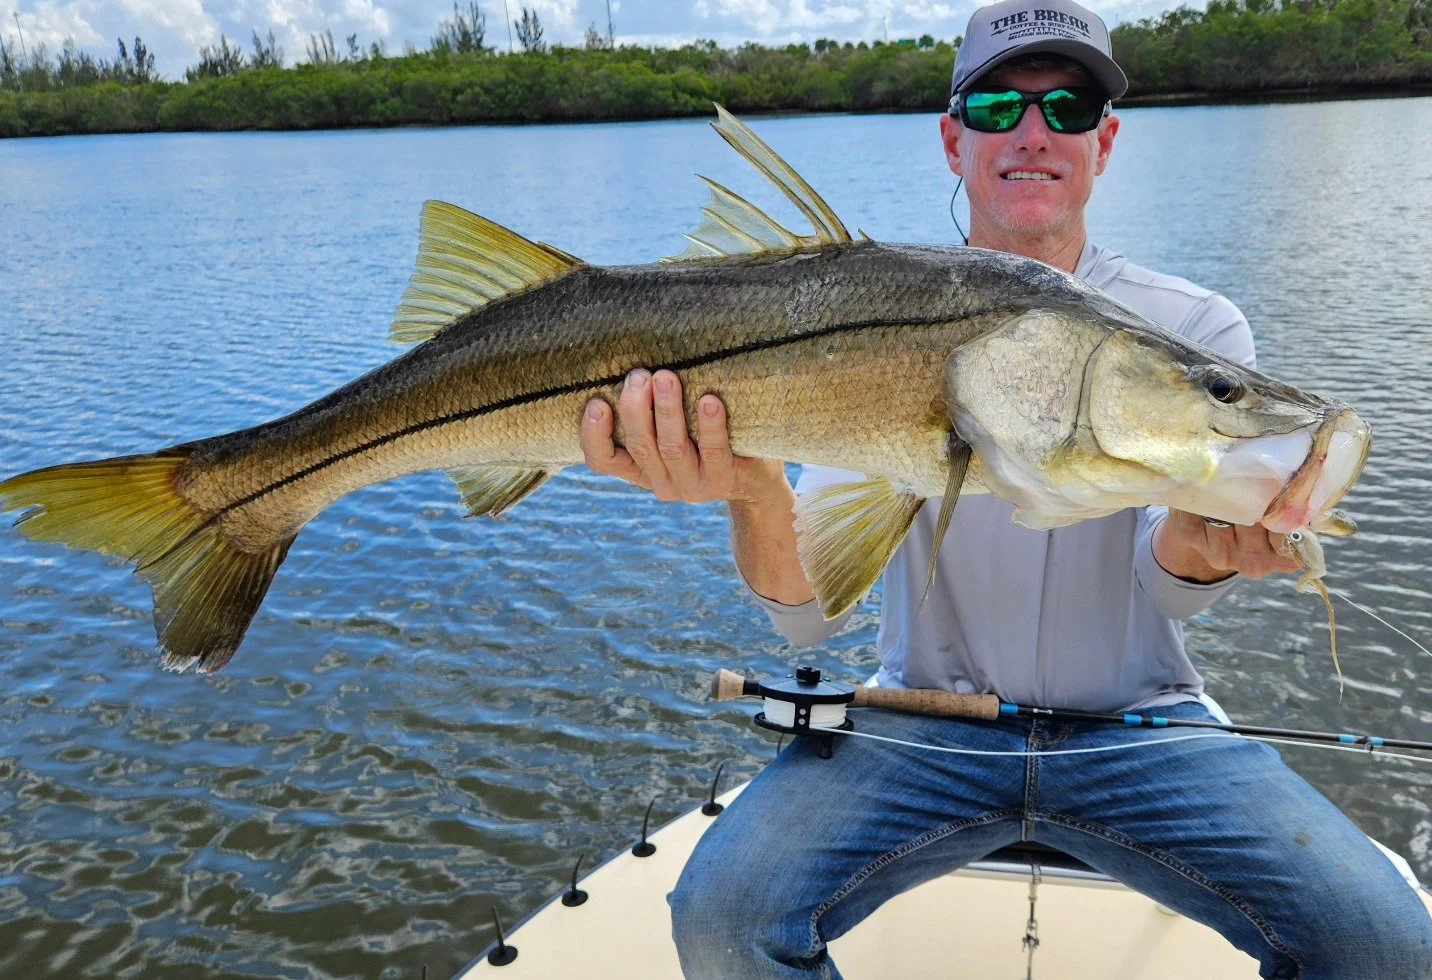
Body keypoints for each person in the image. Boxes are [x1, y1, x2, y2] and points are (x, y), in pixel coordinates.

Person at [579, 1, 1432, 975]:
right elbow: (806, 616)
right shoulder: (870, 311)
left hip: (1139, 727)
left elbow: (1170, 585)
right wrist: (753, 486)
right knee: (722, 915)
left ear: (1104, 143)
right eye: (997, 106)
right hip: (921, 728)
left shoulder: (1193, 330)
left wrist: (1207, 548)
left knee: (1385, 942)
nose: (1033, 131)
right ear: (954, 141)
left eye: (1068, 107)